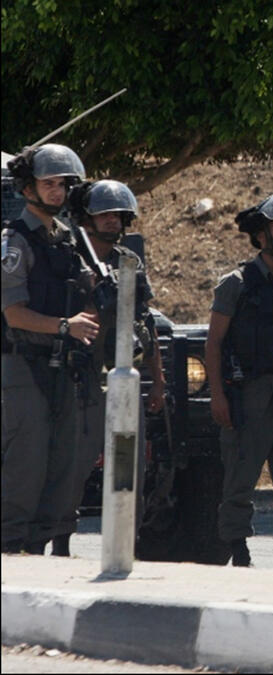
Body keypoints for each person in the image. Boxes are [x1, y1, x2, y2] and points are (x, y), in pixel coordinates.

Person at [57, 179, 167, 557]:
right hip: (82, 376)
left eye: (117, 215)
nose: (111, 221)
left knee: (127, 467)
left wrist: (158, 382)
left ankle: (124, 542)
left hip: (124, 376)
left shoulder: (129, 263)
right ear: (86, 218)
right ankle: (60, 539)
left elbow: (146, 322)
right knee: (76, 462)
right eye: (103, 214)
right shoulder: (69, 259)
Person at [204, 193, 273, 569]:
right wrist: (218, 395)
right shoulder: (236, 283)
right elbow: (214, 343)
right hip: (247, 395)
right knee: (240, 477)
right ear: (262, 234)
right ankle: (239, 549)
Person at [1, 144, 100, 555]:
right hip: (23, 363)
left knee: (64, 464)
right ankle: (9, 547)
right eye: (49, 184)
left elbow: (86, 298)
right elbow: (13, 314)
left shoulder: (71, 239)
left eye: (63, 185)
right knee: (26, 463)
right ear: (27, 189)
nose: (58, 192)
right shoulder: (14, 241)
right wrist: (65, 326)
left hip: (64, 366)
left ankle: (40, 548)